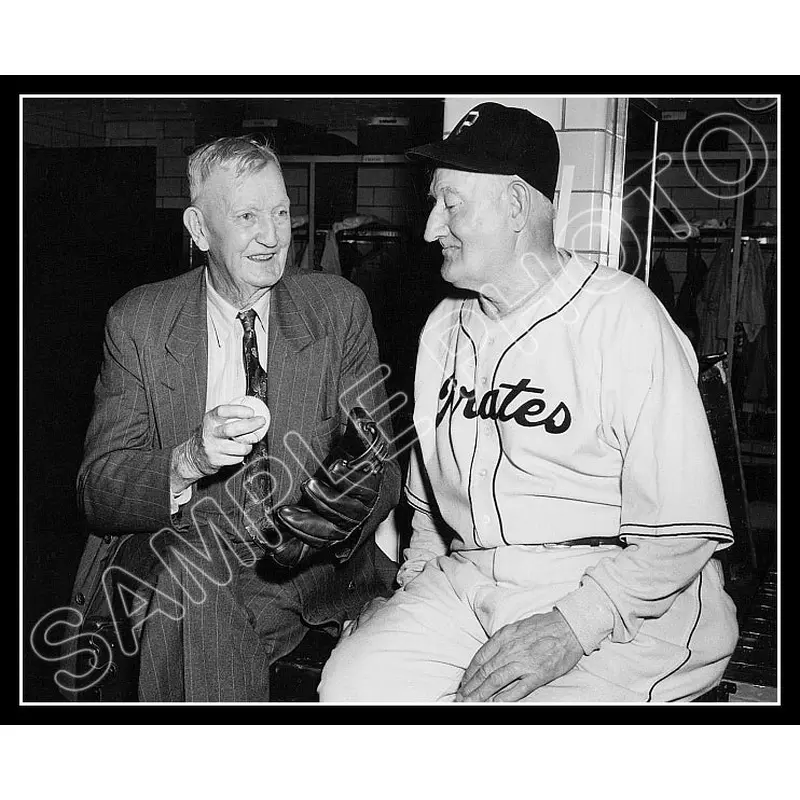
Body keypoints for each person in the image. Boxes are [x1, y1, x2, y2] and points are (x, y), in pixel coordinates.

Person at [318, 102, 739, 703]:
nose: (430, 227)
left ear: (516, 207)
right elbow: (433, 517)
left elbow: (683, 535)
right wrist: (407, 599)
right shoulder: (442, 330)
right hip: (469, 582)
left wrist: (571, 627)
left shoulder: (622, 317)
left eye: (451, 205)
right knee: (351, 689)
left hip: (618, 597)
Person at [60, 136, 400, 702]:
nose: (272, 236)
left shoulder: (338, 310)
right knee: (195, 572)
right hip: (179, 544)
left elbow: (381, 463)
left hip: (301, 565)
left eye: (282, 212)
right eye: (247, 216)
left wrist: (323, 516)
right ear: (198, 230)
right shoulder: (139, 322)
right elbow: (98, 489)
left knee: (187, 600)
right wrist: (189, 458)